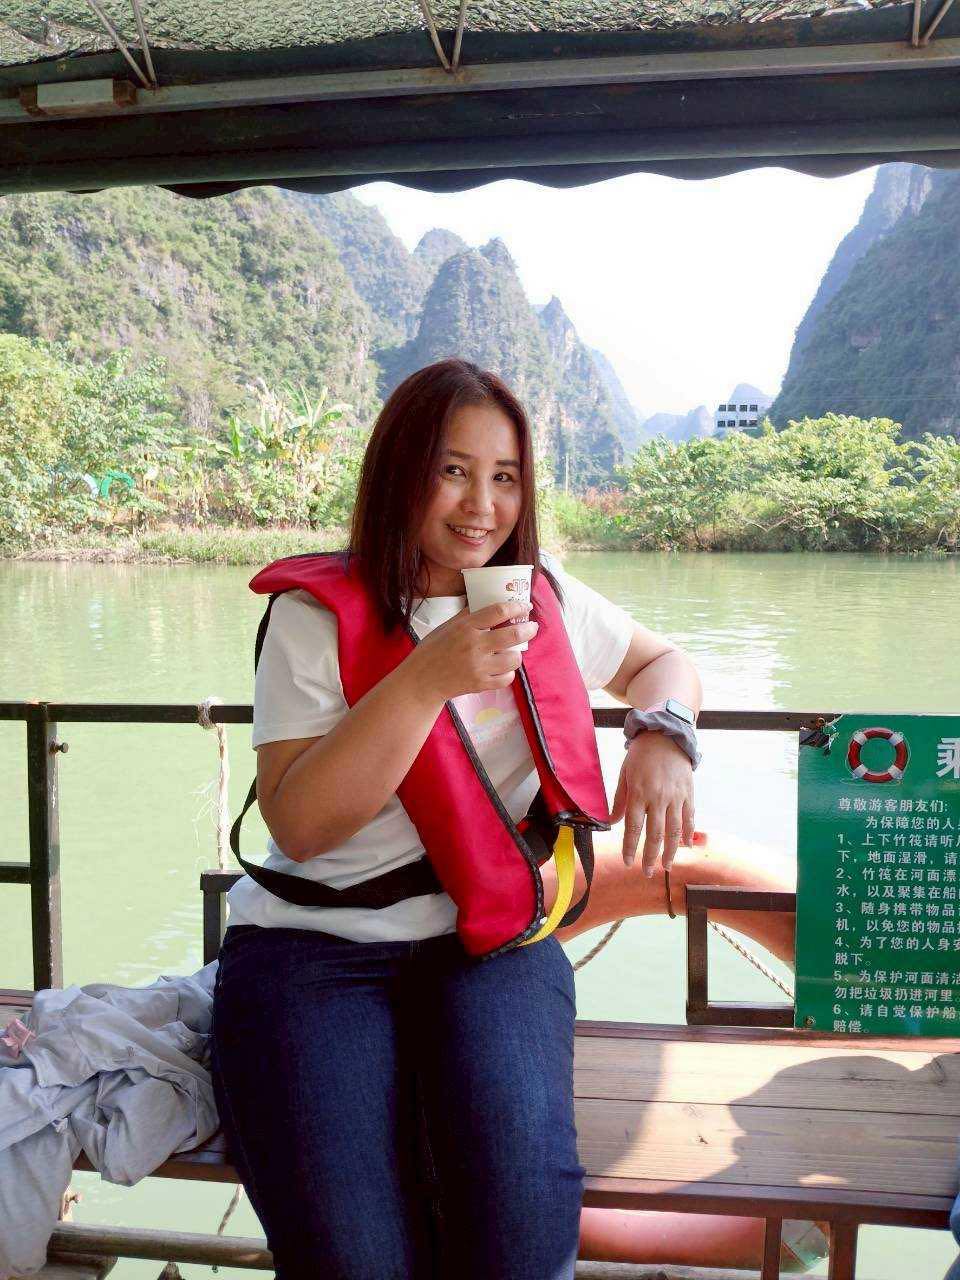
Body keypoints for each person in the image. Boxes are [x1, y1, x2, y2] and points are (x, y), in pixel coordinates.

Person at [211, 356, 707, 1280]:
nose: (483, 505)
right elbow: (301, 827)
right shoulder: (313, 617)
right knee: (351, 1260)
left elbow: (662, 662)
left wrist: (663, 735)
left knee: (524, 1234)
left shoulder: (541, 594)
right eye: (453, 471)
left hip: (493, 941)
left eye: (505, 476)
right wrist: (424, 680)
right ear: (399, 471)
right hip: (314, 953)